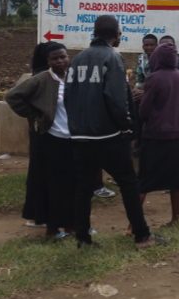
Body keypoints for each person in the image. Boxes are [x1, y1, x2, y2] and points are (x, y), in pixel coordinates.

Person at [64, 15, 156, 249]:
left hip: (80, 135)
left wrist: (76, 126)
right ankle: (142, 235)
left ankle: (83, 238)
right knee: (128, 183)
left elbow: (68, 97)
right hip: (107, 136)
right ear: (116, 34)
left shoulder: (77, 59)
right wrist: (125, 125)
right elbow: (115, 99)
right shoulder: (112, 58)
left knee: (83, 188)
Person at [5, 42, 73, 239]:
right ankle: (52, 228)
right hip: (51, 138)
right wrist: (35, 115)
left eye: (63, 57)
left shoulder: (73, 77)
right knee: (53, 185)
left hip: (72, 137)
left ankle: (70, 224)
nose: (60, 61)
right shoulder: (42, 79)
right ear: (48, 61)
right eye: (55, 58)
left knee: (71, 183)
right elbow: (13, 96)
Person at [138, 43, 179, 225]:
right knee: (176, 182)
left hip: (154, 136)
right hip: (177, 137)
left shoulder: (153, 78)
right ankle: (177, 218)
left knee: (144, 181)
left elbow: (144, 110)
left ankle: (134, 224)